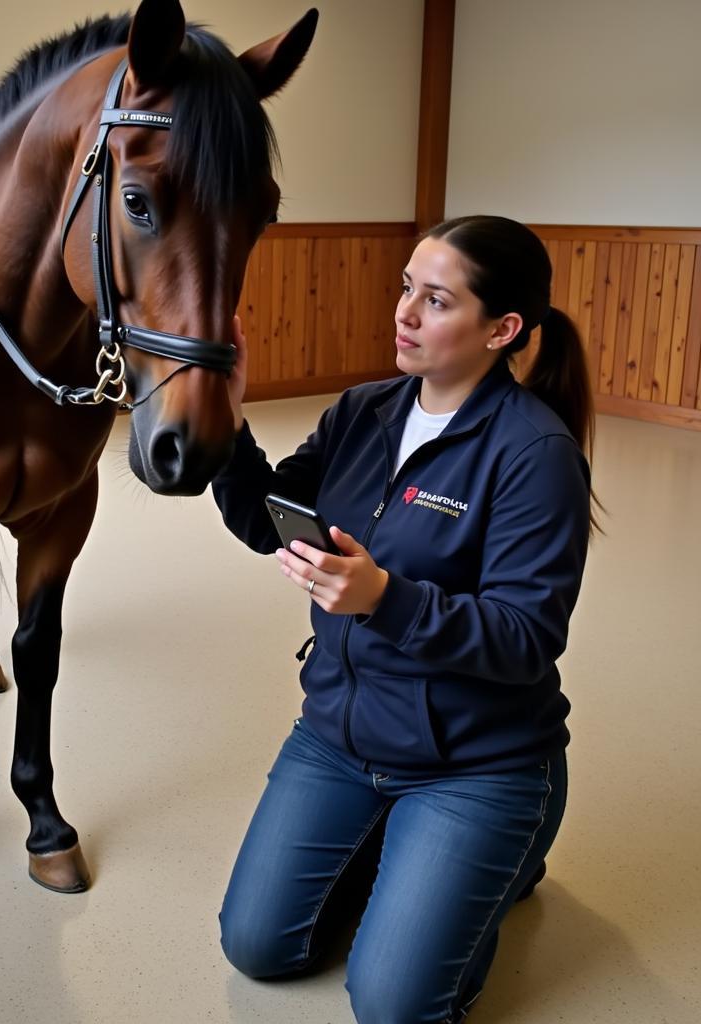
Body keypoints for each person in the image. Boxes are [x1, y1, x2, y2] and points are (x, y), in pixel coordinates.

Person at [212, 215, 597, 1022]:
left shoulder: (536, 454)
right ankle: (404, 850)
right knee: (256, 946)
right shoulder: (365, 410)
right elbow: (267, 518)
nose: (405, 314)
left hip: (475, 764)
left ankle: (510, 847)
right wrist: (225, 416)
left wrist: (384, 599)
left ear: (503, 329)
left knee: (391, 1006)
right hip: (340, 738)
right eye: (404, 289)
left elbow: (527, 639)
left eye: (436, 300)